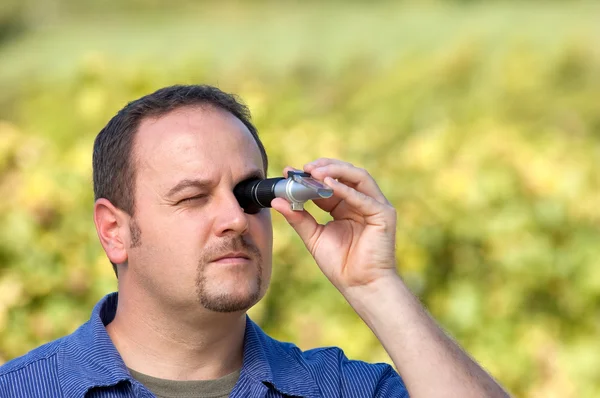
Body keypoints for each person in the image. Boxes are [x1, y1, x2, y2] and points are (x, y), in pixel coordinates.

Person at [0, 85, 509, 398]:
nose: (234, 220)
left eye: (248, 193)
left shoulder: (339, 389)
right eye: (193, 197)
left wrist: (377, 285)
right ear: (114, 230)